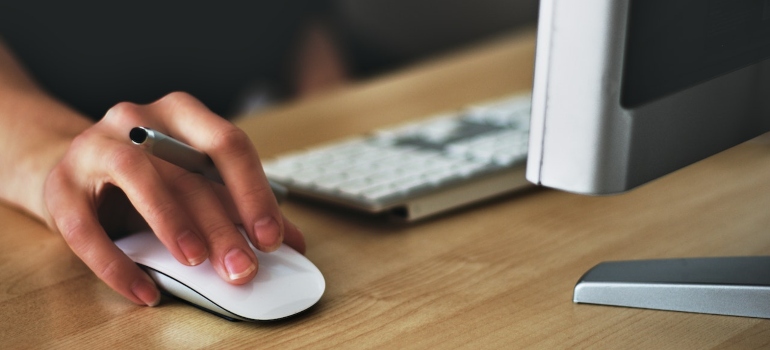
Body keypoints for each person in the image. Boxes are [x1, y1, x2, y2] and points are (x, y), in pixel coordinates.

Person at [0, 1, 537, 308]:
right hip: (73, 131)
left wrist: (345, 142)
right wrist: (54, 159)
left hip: (243, 144)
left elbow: (302, 25)